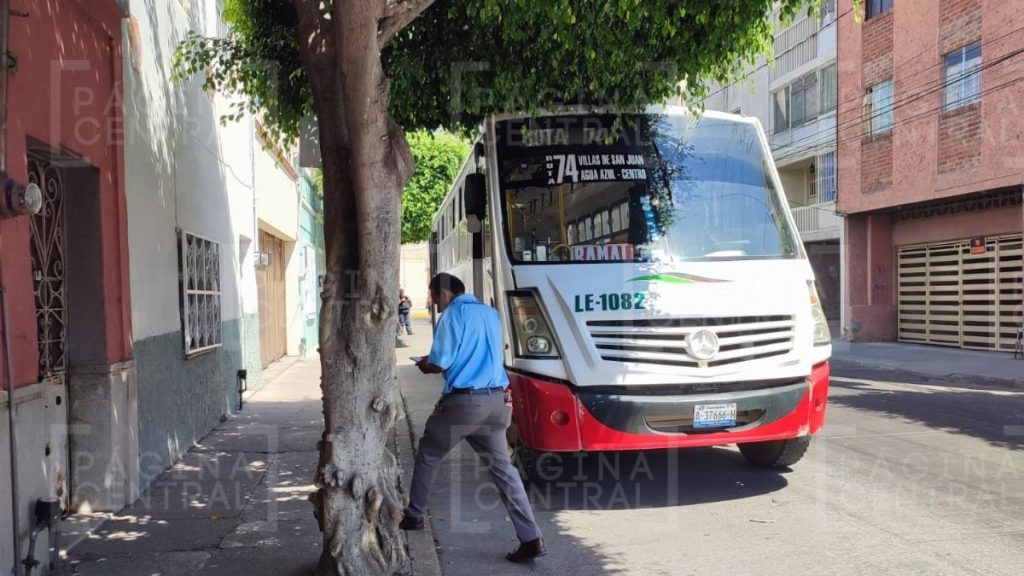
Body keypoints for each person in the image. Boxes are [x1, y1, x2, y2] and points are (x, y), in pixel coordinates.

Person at [401, 273, 546, 563]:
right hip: (497, 402)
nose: (433, 303)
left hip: (464, 403)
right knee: (503, 469)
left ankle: (414, 515)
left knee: (429, 454)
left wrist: (426, 365)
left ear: (444, 293)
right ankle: (531, 537)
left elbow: (441, 361)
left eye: (433, 296)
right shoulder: (490, 313)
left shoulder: (453, 315)